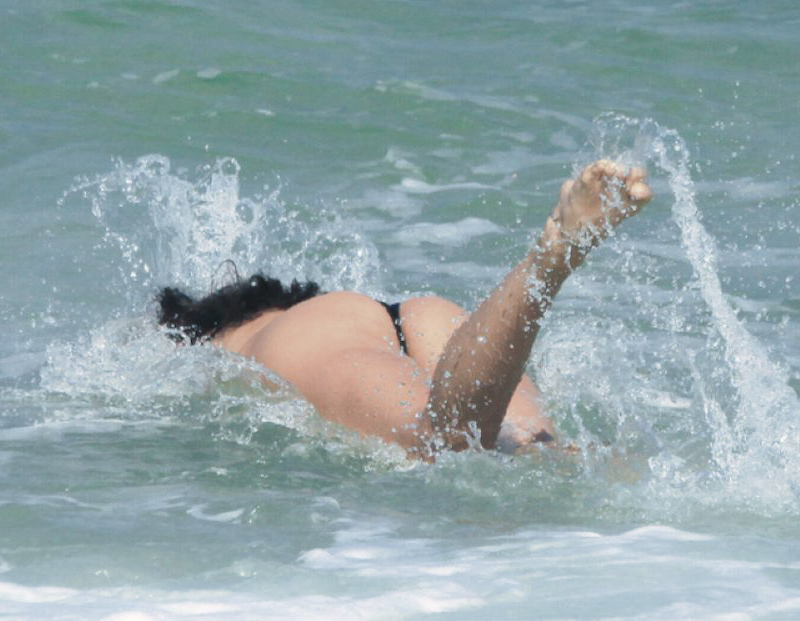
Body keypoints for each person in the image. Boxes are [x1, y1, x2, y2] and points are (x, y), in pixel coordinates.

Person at [157, 160, 652, 458]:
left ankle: (550, 259)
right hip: (427, 317)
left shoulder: (241, 337)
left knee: (445, 441)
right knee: (534, 453)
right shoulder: (327, 309)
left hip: (315, 339)